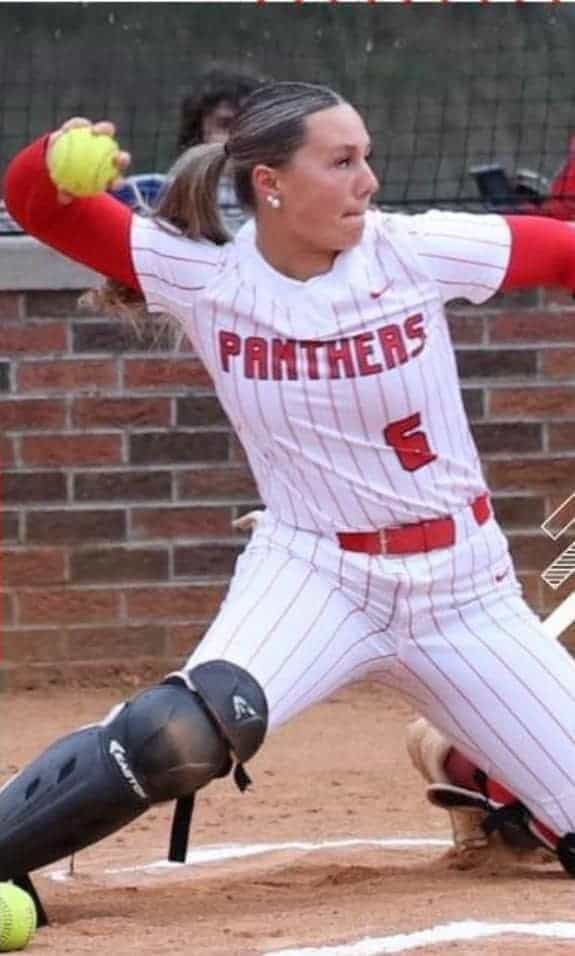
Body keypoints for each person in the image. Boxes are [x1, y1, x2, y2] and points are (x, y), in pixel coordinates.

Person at [3, 81, 575, 915]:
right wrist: (53, 156)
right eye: (340, 162)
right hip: (316, 576)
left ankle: (476, 768)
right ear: (269, 182)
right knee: (178, 733)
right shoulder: (205, 274)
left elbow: (561, 252)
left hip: (464, 591)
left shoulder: (415, 249)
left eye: (366, 159)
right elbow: (39, 206)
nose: (367, 181)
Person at [113, 66, 265, 230]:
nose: (238, 135)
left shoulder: (285, 205)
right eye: (225, 124)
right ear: (198, 132)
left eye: (250, 124)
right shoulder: (147, 193)